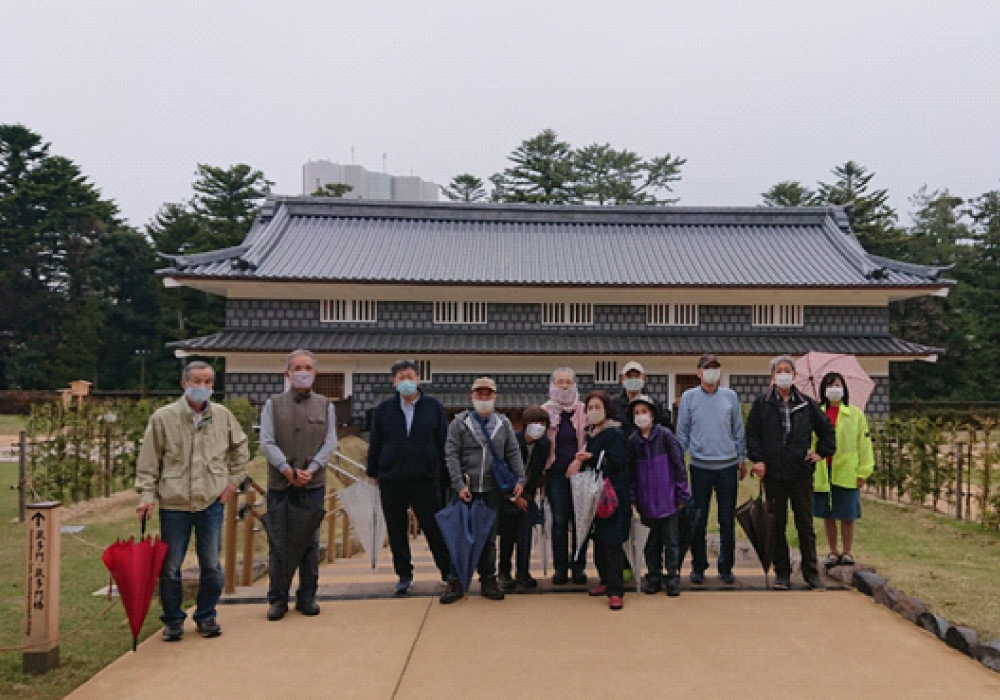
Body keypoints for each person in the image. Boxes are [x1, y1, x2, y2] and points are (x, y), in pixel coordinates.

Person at [135, 361, 249, 642]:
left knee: (211, 562)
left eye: (208, 382)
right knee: (170, 565)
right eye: (197, 381)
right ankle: (173, 619)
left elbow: (241, 448)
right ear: (184, 383)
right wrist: (147, 495)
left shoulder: (222, 416)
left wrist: (233, 481)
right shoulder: (163, 418)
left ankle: (206, 615)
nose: (203, 387)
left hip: (211, 500)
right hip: (175, 503)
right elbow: (149, 462)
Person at [366, 359, 459, 603]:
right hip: (391, 477)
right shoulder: (383, 409)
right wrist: (372, 471)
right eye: (401, 377)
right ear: (393, 381)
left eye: (410, 376)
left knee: (434, 527)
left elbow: (442, 442)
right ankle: (404, 575)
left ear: (418, 379)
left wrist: (444, 474)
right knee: (397, 530)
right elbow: (375, 442)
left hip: (425, 478)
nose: (406, 381)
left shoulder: (433, 407)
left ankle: (448, 571)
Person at [259, 349, 338, 621]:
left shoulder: (326, 405)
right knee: (278, 542)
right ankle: (277, 599)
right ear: (287, 373)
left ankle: (307, 597)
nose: (302, 373)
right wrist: (286, 469)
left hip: (312, 484)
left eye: (307, 368)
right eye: (297, 368)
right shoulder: (273, 404)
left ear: (315, 373)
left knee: (310, 543)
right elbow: (266, 441)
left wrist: (312, 468)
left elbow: (330, 442)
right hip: (281, 484)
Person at [746, 355, 836, 590]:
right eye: (779, 370)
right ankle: (782, 572)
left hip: (801, 472)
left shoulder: (807, 403)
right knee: (777, 524)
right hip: (774, 472)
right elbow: (752, 435)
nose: (783, 374)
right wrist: (758, 460)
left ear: (794, 375)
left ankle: (811, 572)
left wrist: (820, 452)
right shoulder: (762, 403)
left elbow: (827, 429)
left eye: (787, 370)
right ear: (772, 376)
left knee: (805, 524)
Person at [444, 377, 525, 602]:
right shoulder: (459, 423)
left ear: (495, 397)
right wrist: (458, 484)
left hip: (492, 488)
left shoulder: (504, 423)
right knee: (460, 535)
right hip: (466, 487)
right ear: (471, 396)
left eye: (487, 393)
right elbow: (451, 454)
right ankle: (456, 580)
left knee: (489, 536)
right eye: (479, 393)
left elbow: (513, 452)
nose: (483, 397)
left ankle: (488, 578)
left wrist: (520, 478)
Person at [675, 353, 746, 585]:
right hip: (699, 466)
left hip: (727, 465)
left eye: (715, 367)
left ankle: (726, 567)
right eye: (707, 367)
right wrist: (679, 464)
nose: (711, 371)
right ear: (698, 372)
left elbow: (738, 429)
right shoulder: (689, 397)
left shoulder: (730, 396)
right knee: (698, 518)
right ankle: (698, 565)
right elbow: (682, 431)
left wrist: (741, 458)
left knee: (727, 520)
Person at [627, 395, 690, 597]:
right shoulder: (633, 441)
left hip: (668, 499)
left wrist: (681, 493)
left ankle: (672, 577)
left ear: (652, 414)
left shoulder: (665, 436)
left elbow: (679, 466)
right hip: (645, 502)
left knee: (671, 542)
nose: (641, 416)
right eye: (636, 413)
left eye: (644, 412)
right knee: (650, 543)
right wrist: (633, 497)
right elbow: (631, 473)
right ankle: (653, 576)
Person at [574, 390, 629, 610]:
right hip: (594, 494)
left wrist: (593, 458)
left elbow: (617, 462)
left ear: (607, 409)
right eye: (590, 408)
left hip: (612, 495)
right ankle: (605, 581)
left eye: (598, 407)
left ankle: (617, 590)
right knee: (598, 541)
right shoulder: (591, 433)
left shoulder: (614, 433)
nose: (594, 412)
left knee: (612, 543)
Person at [814, 372, 874, 569]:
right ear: (823, 389)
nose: (834, 389)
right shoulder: (817, 413)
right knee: (828, 512)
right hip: (823, 468)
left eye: (838, 384)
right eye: (830, 385)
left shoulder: (855, 414)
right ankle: (832, 550)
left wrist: (863, 471)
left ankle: (847, 551)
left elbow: (863, 444)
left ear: (844, 388)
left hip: (847, 469)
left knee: (847, 512)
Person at [542, 367, 589, 585]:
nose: (563, 385)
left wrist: (579, 460)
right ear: (552, 384)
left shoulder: (583, 410)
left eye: (568, 382)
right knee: (559, 522)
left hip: (581, 474)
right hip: (555, 475)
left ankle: (578, 567)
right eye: (560, 381)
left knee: (581, 521)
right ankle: (560, 568)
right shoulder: (545, 411)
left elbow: (590, 438)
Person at [497, 405, 551, 591]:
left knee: (525, 535)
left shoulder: (544, 444)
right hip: (507, 494)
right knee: (507, 535)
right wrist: (513, 496)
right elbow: (503, 471)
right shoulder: (511, 440)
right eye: (534, 422)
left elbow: (536, 474)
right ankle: (503, 572)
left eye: (542, 423)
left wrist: (527, 497)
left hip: (527, 496)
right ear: (525, 424)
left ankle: (523, 572)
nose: (538, 426)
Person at [611, 360, 673, 438]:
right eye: (629, 376)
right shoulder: (613, 404)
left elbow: (667, 429)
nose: (633, 379)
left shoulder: (655, 404)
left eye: (637, 376)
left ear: (644, 378)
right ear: (622, 379)